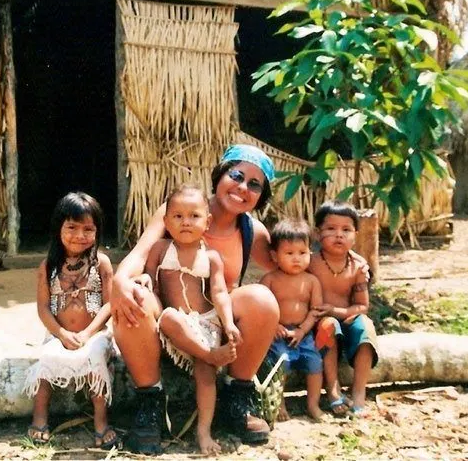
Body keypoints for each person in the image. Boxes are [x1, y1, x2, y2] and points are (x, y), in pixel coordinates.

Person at [110, 144, 281, 454]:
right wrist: (120, 281)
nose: (243, 187)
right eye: (237, 175)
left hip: (211, 327)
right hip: (166, 324)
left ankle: (237, 398)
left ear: (261, 197)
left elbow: (289, 266)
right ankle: (150, 403)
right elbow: (141, 253)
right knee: (132, 296)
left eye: (254, 185)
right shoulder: (179, 210)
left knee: (262, 299)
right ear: (219, 175)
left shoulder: (251, 231)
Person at [138, 184, 241, 454]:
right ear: (166, 222)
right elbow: (150, 277)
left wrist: (228, 322)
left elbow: (219, 293)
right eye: (178, 216)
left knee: (205, 375)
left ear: (207, 222)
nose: (186, 222)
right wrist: (145, 278)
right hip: (174, 326)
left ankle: (204, 431)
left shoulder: (211, 257)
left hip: (204, 323)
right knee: (170, 316)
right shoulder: (160, 249)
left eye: (194, 216)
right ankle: (210, 354)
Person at [22, 192, 118, 449]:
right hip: (57, 334)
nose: (79, 235)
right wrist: (62, 335)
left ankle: (101, 422)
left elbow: (109, 304)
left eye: (88, 229)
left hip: (95, 334)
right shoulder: (48, 267)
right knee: (46, 362)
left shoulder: (102, 264)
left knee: (96, 359)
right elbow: (43, 309)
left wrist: (87, 334)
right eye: (72, 227)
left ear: (97, 231)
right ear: (58, 228)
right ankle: (39, 417)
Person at [309, 201, 379, 417]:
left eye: (346, 230)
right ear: (317, 233)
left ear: (355, 235)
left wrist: (337, 311)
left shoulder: (358, 266)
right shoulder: (309, 262)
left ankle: (359, 392)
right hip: (318, 323)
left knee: (366, 326)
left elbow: (362, 306)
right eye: (331, 229)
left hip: (346, 317)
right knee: (328, 325)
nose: (339, 235)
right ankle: (333, 390)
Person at [261, 218, 324, 421]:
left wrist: (303, 330)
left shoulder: (311, 281)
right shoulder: (270, 279)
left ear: (310, 253)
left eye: (302, 253)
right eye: (289, 253)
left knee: (315, 363)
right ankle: (279, 404)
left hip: (302, 334)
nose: (297, 259)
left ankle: (313, 404)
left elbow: (315, 310)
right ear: (275, 256)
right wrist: (274, 325)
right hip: (278, 334)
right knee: (281, 364)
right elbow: (261, 307)